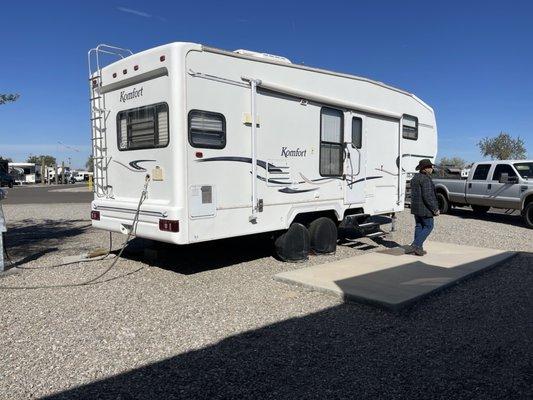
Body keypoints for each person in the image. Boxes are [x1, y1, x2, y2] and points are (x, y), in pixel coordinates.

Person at [406, 159, 439, 256]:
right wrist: (435, 209)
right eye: (430, 167)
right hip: (425, 209)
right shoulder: (426, 179)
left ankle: (418, 249)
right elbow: (428, 196)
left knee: (419, 226)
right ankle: (415, 245)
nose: (432, 168)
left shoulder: (415, 178)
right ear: (425, 169)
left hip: (416, 208)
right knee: (429, 226)